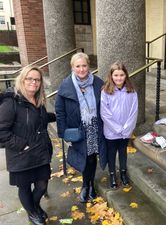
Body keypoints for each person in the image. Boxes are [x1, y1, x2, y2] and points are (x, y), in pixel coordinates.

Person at [0, 66, 56, 225]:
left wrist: (57, 116)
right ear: (22, 79)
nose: (34, 82)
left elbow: (38, 118)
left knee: (42, 184)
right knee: (24, 187)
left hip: (40, 152)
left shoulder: (38, 100)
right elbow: (2, 131)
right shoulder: (11, 101)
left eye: (37, 79)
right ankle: (32, 213)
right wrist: (22, 145)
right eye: (30, 78)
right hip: (21, 155)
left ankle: (34, 206)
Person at [55, 52, 107, 203]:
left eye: (84, 65)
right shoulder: (65, 85)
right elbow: (60, 111)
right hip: (78, 129)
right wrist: (63, 132)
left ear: (88, 66)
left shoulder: (98, 83)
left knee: (92, 158)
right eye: (78, 66)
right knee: (84, 157)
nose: (82, 69)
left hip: (95, 127)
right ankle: (85, 185)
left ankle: (91, 185)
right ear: (72, 68)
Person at [101, 62, 138, 189]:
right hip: (111, 131)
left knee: (123, 152)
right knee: (111, 153)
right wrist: (117, 129)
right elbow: (105, 113)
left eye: (121, 75)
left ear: (126, 75)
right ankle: (112, 175)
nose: (119, 78)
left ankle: (123, 173)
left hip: (126, 131)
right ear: (111, 76)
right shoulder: (106, 91)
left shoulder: (131, 91)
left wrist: (127, 128)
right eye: (116, 75)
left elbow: (134, 111)